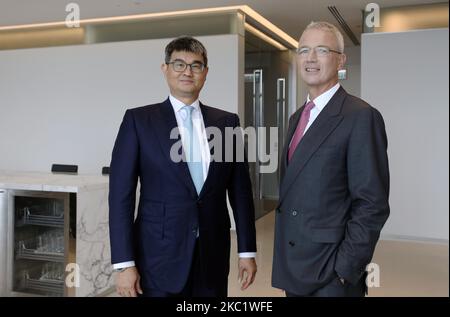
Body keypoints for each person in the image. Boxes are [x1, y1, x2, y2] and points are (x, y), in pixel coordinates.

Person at [109, 36, 257, 297]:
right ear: (165, 69)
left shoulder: (227, 123)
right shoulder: (139, 121)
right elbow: (121, 196)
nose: (187, 71)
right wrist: (124, 264)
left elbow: (240, 192)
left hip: (211, 256)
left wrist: (246, 251)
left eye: (196, 65)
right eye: (179, 64)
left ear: (206, 73)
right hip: (157, 258)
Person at [272, 22, 390, 297]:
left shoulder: (360, 116)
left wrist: (344, 271)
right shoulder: (296, 117)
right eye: (303, 50)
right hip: (295, 269)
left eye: (321, 50)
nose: (310, 58)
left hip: (331, 274)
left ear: (341, 59)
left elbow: (372, 204)